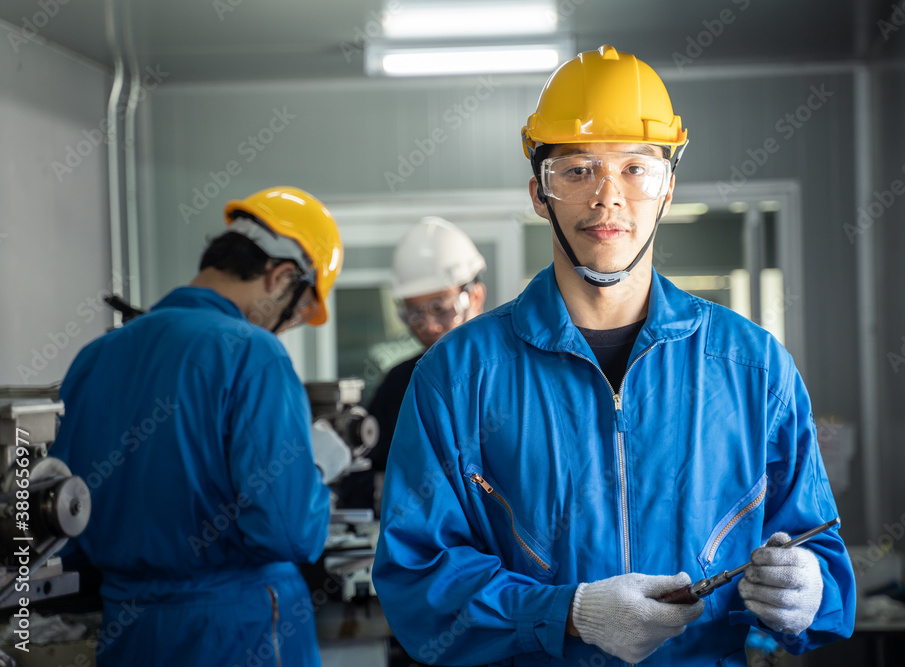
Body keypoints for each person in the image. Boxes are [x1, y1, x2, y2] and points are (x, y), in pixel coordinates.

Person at [372, 45, 855, 666]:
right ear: (539, 193)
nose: (608, 198)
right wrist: (568, 614)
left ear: (668, 188)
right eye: (576, 171)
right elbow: (418, 583)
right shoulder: (459, 376)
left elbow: (821, 545)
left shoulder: (754, 369)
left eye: (635, 168)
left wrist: (812, 588)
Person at [49, 186, 342, 666]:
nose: (288, 327)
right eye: (299, 311)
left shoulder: (95, 358)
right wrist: (310, 469)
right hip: (238, 632)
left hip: (128, 630)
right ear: (281, 276)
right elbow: (288, 531)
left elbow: (69, 527)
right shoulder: (254, 353)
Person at [340, 216, 487, 514]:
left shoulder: (514, 373)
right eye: (415, 314)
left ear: (475, 297)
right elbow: (356, 481)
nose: (429, 325)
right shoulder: (401, 383)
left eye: (440, 308)